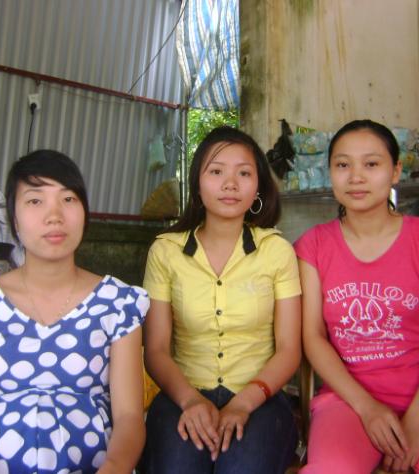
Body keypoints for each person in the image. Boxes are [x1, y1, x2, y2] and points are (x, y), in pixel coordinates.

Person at [0, 150, 149, 474]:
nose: (54, 215)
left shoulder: (117, 303)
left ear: (85, 213)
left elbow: (130, 419)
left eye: (68, 199)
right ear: (14, 219)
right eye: (35, 201)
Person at [295, 120, 419, 473]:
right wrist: (366, 407)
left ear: (396, 171)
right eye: (343, 165)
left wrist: (417, 418)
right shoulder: (314, 245)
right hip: (347, 400)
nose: (356, 177)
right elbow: (313, 337)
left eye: (371, 164)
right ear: (330, 173)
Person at [140, 126, 301, 474]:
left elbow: (290, 349)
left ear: (258, 186)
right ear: (198, 184)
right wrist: (190, 400)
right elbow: (156, 350)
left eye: (243, 173)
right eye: (216, 172)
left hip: (260, 398)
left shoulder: (276, 251)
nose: (230, 184)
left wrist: (244, 403)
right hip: (182, 393)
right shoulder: (166, 252)